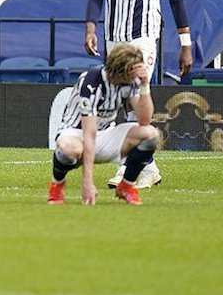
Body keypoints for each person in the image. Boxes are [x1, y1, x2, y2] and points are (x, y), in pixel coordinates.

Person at [85, 0, 191, 191]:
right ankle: (145, 165)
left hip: (144, 36)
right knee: (120, 99)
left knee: (135, 92)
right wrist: (91, 26)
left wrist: (185, 44)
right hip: (113, 36)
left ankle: (130, 167)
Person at [48, 43, 160, 206]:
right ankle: (57, 184)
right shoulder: (92, 82)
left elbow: (144, 120)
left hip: (106, 133)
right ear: (120, 70)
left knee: (150, 134)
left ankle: (127, 186)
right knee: (70, 150)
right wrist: (87, 183)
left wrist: (144, 85)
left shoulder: (132, 81)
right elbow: (89, 133)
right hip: (76, 133)